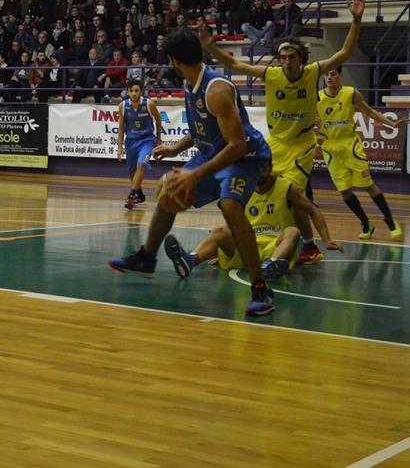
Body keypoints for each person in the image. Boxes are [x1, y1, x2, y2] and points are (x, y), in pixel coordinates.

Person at [108, 29, 276, 317]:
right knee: (169, 190)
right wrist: (175, 148)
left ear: (174, 60)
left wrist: (196, 175)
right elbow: (202, 130)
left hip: (246, 157)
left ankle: (261, 288)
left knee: (231, 205)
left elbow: (237, 145)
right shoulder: (191, 83)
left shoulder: (217, 91)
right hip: (213, 152)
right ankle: (147, 257)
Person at [202, 0, 366, 267]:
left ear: (300, 57)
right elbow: (233, 63)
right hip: (275, 142)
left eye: (291, 56)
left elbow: (345, 52)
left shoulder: (313, 71)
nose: (286, 61)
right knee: (248, 187)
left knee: (293, 197)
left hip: (301, 146)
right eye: (282, 57)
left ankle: (309, 246)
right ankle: (233, 244)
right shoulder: (271, 74)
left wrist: (356, 20)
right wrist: (210, 45)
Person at [163, 163, 342, 280]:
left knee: (292, 232)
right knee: (219, 231)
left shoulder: (287, 188)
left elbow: (312, 210)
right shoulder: (241, 188)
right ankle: (190, 260)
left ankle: (270, 265)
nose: (260, 172)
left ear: (271, 168)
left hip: (275, 245)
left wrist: (326, 239)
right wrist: (219, 247)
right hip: (246, 247)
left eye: (263, 168)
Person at [317, 66, 407, 239]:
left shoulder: (351, 93)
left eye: (333, 74)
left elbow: (370, 112)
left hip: (350, 145)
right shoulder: (317, 98)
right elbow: (310, 121)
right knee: (344, 191)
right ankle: (366, 224)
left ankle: (390, 221)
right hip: (330, 149)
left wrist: (392, 124)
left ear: (340, 76)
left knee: (368, 185)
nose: (329, 77)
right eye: (327, 74)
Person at [117, 79, 163, 210]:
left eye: (136, 91)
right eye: (131, 91)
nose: (134, 93)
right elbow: (121, 127)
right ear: (128, 92)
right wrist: (119, 147)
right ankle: (140, 196)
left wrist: (158, 141)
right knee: (132, 171)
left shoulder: (149, 104)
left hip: (147, 141)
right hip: (131, 142)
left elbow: (159, 122)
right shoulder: (123, 106)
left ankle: (131, 196)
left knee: (142, 163)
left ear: (141, 92)